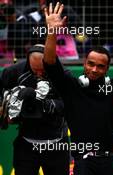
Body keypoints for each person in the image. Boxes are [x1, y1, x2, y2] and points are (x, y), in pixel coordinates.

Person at [43, 2, 113, 175]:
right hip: (84, 162)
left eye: (100, 66)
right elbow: (50, 63)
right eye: (91, 64)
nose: (94, 69)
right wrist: (52, 31)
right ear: (84, 63)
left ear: (107, 69)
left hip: (111, 160)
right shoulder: (71, 87)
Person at [1, 44, 69, 175]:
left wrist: (41, 102)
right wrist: (8, 107)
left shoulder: (63, 74)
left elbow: (69, 105)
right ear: (28, 61)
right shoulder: (14, 71)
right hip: (26, 142)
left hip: (56, 143)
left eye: (42, 71)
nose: (39, 74)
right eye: (35, 70)